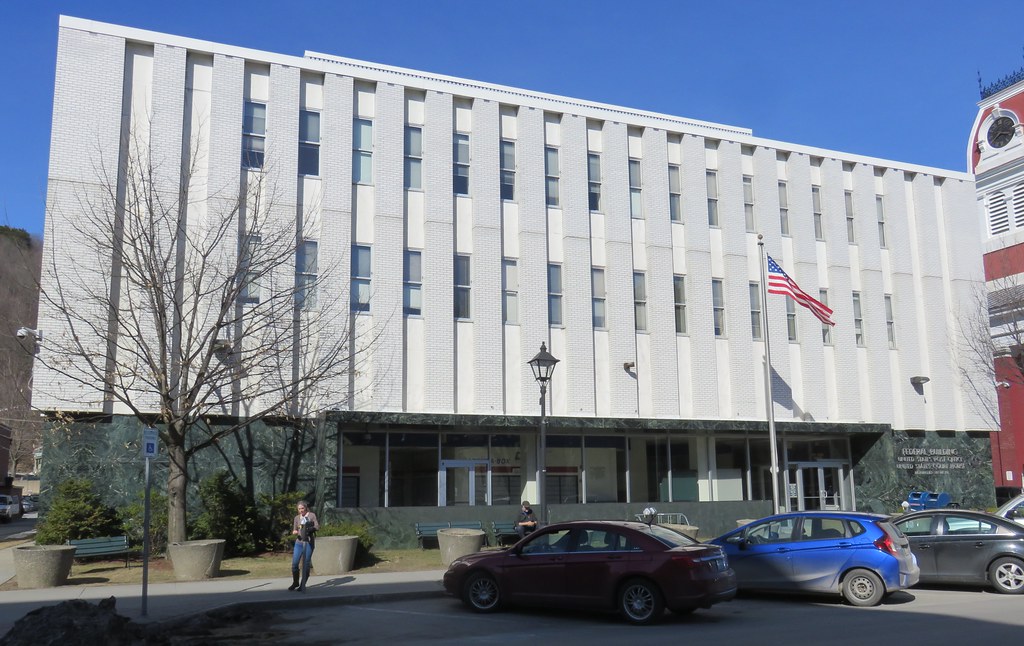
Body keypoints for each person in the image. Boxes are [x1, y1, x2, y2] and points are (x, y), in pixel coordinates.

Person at [289, 500, 319, 592]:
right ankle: (295, 582)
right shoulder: (297, 518)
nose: (301, 510)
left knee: (306, 564)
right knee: (294, 564)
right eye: (299, 509)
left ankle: (303, 584)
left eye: (302, 508)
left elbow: (317, 526)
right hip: (299, 543)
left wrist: (311, 528)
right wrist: (295, 532)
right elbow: (295, 529)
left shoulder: (312, 515)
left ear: (305, 508)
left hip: (308, 543)